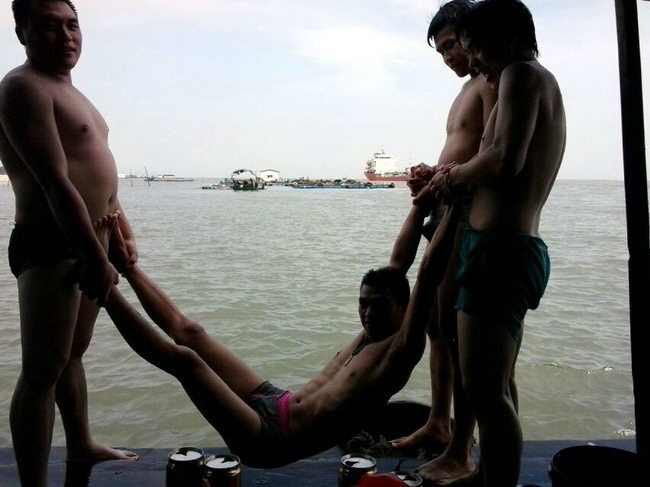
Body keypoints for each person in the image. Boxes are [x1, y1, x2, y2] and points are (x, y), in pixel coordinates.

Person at [93, 191, 462, 469]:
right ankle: (126, 268)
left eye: (378, 305)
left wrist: (456, 207)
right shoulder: (371, 331)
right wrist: (419, 204)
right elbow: (397, 264)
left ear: (404, 308)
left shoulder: (402, 348)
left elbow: (428, 274)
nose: (367, 313)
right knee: (191, 332)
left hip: (272, 439)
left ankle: (103, 289)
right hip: (277, 402)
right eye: (362, 303)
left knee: (186, 362)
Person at [0, 1, 139, 485]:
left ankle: (79, 442)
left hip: (90, 239)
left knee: (72, 356)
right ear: (22, 33)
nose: (65, 36)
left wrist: (120, 231)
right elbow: (54, 181)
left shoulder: (75, 93)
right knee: (42, 372)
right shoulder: (23, 87)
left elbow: (98, 172)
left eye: (72, 25)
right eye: (48, 27)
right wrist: (93, 255)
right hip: (52, 242)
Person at [429, 0, 566, 485]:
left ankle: (496, 481)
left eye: (475, 49)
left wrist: (450, 177)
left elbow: (506, 159)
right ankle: (490, 471)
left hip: (501, 251)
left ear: (503, 40)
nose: (474, 62)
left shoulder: (521, 74)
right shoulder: (534, 79)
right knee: (498, 383)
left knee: (485, 390)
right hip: (503, 248)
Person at [388, 1, 496, 483]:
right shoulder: (465, 89)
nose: (450, 57)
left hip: (467, 214)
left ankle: (461, 448)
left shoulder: (492, 82)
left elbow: (492, 150)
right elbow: (462, 148)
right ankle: (438, 421)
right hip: (445, 205)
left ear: (472, 36)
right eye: (442, 51)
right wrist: (432, 174)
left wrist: (447, 179)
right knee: (435, 325)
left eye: (452, 45)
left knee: (458, 334)